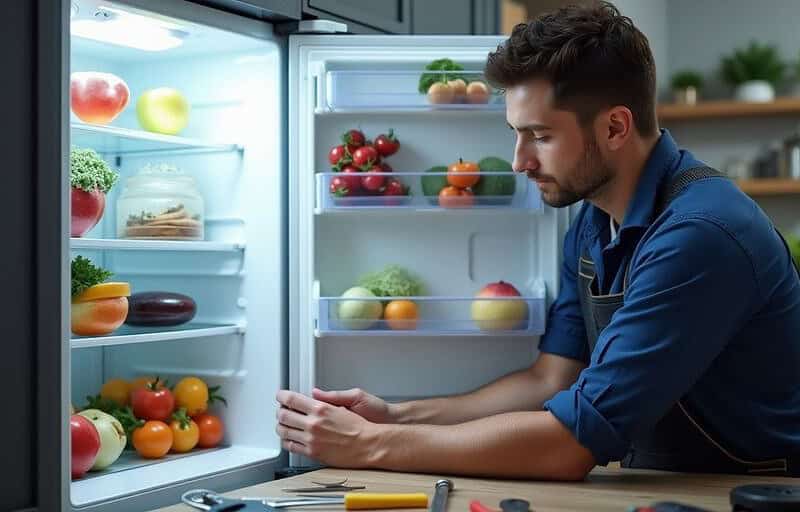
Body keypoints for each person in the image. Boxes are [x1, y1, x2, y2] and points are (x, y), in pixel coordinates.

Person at [276, 1, 800, 480]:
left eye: (541, 136)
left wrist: (372, 446)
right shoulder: (594, 220)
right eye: (516, 133)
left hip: (751, 491)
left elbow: (569, 445)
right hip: (668, 481)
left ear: (616, 127)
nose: (519, 162)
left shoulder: (699, 237)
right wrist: (396, 414)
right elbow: (548, 381)